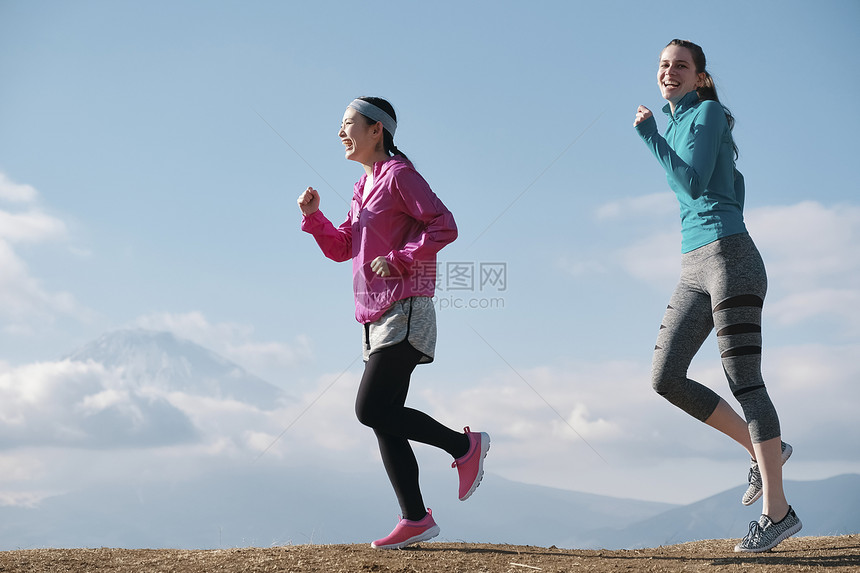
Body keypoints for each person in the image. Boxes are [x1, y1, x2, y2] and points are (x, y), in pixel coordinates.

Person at [297, 96, 490, 550]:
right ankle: (416, 518)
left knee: (369, 409)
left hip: (405, 308)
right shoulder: (362, 187)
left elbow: (444, 225)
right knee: (385, 418)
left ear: (376, 130)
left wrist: (401, 259)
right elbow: (344, 247)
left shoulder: (401, 176)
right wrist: (313, 218)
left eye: (349, 124)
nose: (342, 133)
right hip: (374, 315)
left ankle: (464, 448)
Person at [633, 40, 801, 553]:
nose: (669, 72)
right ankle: (762, 451)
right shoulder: (695, 120)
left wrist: (649, 137)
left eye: (680, 65)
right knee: (665, 376)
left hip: (730, 259)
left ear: (700, 76)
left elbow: (689, 183)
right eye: (663, 65)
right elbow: (738, 183)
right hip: (694, 265)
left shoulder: (703, 112)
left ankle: (779, 513)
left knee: (744, 380)